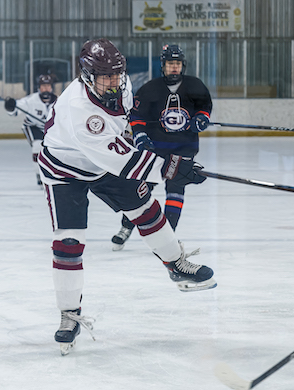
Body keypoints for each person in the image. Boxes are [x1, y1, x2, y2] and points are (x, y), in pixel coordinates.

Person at [38, 38, 216, 355]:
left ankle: (176, 264)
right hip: (65, 169)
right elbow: (127, 162)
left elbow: (125, 125)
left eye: (116, 74)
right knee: (68, 241)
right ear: (87, 75)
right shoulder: (80, 110)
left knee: (146, 209)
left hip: (102, 156)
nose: (113, 81)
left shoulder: (120, 85)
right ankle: (69, 314)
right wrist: (174, 167)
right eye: (105, 76)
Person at [111, 44, 212, 251]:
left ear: (182, 65)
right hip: (156, 148)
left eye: (177, 64)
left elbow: (205, 107)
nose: (173, 68)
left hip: (184, 148)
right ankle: (125, 227)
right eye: (169, 64)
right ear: (163, 66)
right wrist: (139, 134)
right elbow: (137, 116)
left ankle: (168, 238)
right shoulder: (150, 88)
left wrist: (202, 118)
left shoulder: (195, 85)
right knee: (141, 190)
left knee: (176, 189)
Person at [4, 74, 57, 185]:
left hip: (50, 129)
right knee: (37, 146)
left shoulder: (59, 101)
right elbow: (14, 111)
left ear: (52, 87)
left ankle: (52, 172)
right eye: (43, 86)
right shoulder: (31, 100)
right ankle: (39, 174)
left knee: (53, 151)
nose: (46, 88)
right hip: (33, 127)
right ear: (39, 87)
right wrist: (10, 107)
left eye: (48, 85)